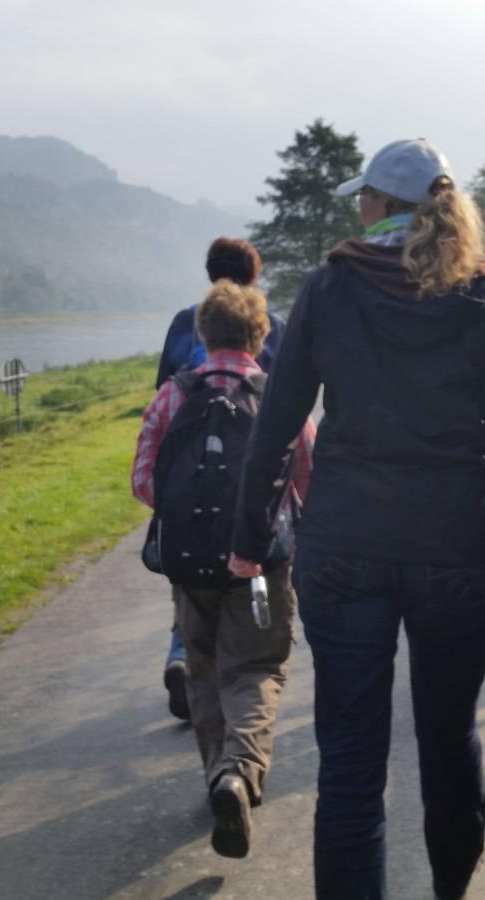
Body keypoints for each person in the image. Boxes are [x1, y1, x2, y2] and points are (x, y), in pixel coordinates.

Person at [228, 138, 485, 900]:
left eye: (364, 197)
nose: (358, 208)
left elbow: (276, 423)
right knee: (450, 741)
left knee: (351, 763)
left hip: (344, 548)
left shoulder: (330, 288)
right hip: (456, 552)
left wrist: (249, 540)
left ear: (382, 205)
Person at [132, 277, 314, 858]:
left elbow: (143, 479)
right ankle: (240, 771)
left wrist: (189, 520)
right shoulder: (277, 396)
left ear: (204, 335)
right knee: (257, 665)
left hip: (190, 568)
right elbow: (308, 478)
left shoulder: (173, 394)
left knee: (204, 666)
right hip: (260, 565)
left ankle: (218, 776)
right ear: (261, 336)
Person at [154, 238, 287, 722]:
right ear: (255, 274)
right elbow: (290, 402)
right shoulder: (274, 326)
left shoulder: (184, 322)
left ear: (211, 273)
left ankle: (182, 656)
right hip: (254, 486)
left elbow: (163, 392)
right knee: (249, 585)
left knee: (193, 576)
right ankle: (241, 686)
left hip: (191, 483)